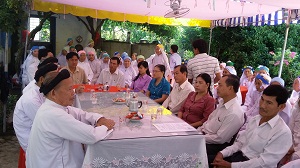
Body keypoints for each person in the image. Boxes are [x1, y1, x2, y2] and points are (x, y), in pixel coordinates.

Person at [26, 69, 115, 168]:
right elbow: (91, 135)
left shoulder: (54, 107)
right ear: (53, 93)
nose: (73, 93)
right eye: (69, 89)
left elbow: (80, 114)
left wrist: (99, 119)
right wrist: (106, 126)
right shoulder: (53, 114)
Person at [212, 85, 292, 168]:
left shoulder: (282, 132)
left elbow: (263, 162)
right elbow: (240, 143)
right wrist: (222, 153)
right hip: (237, 158)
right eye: (262, 99)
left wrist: (231, 166)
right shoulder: (255, 120)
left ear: (281, 107)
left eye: (269, 103)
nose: (262, 106)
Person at [197, 75, 245, 166]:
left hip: (215, 145)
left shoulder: (234, 113)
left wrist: (199, 137)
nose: (217, 88)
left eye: (220, 85)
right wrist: (198, 131)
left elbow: (220, 139)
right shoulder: (222, 103)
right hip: (205, 136)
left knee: (186, 149)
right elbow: (208, 121)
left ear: (230, 88)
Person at [14, 63, 59, 151]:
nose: (56, 80)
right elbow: (46, 123)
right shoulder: (31, 99)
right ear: (42, 79)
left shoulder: (43, 90)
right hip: (33, 142)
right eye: (52, 78)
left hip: (41, 133)